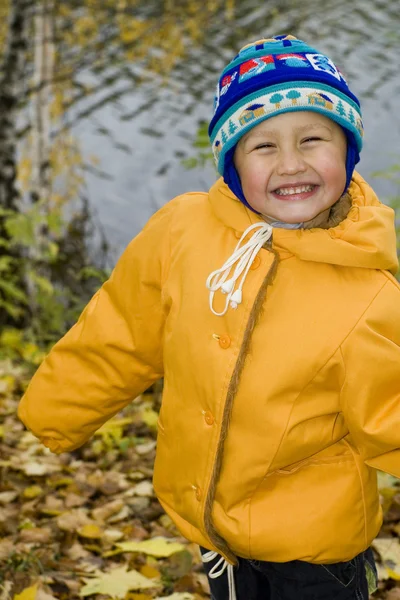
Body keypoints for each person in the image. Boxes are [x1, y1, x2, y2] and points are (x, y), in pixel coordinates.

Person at [18, 34, 400, 599]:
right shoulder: (182, 233)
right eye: (262, 145)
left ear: (346, 149)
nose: (290, 163)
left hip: (315, 553)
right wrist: (53, 414)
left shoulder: (369, 294)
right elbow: (120, 331)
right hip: (211, 526)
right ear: (230, 162)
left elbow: (390, 412)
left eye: (313, 138)